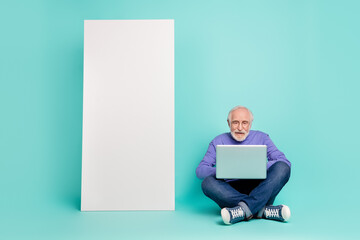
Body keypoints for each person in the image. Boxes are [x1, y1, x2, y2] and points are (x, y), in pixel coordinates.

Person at [196, 105, 291, 225]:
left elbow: (284, 161)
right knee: (207, 183)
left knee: (283, 168)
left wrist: (258, 166)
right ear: (228, 123)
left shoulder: (262, 137)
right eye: (235, 122)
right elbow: (200, 171)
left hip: (261, 187)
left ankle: (242, 210)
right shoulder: (218, 141)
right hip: (230, 189)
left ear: (250, 124)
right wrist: (225, 170)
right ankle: (262, 210)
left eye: (244, 123)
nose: (240, 128)